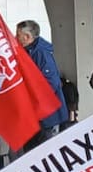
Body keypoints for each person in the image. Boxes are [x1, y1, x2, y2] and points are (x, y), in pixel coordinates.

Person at [15, 20, 69, 149]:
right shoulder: (28, 52)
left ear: (27, 37)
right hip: (36, 117)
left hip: (47, 117)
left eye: (18, 35)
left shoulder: (40, 53)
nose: (15, 38)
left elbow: (52, 83)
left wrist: (31, 99)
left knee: (46, 153)